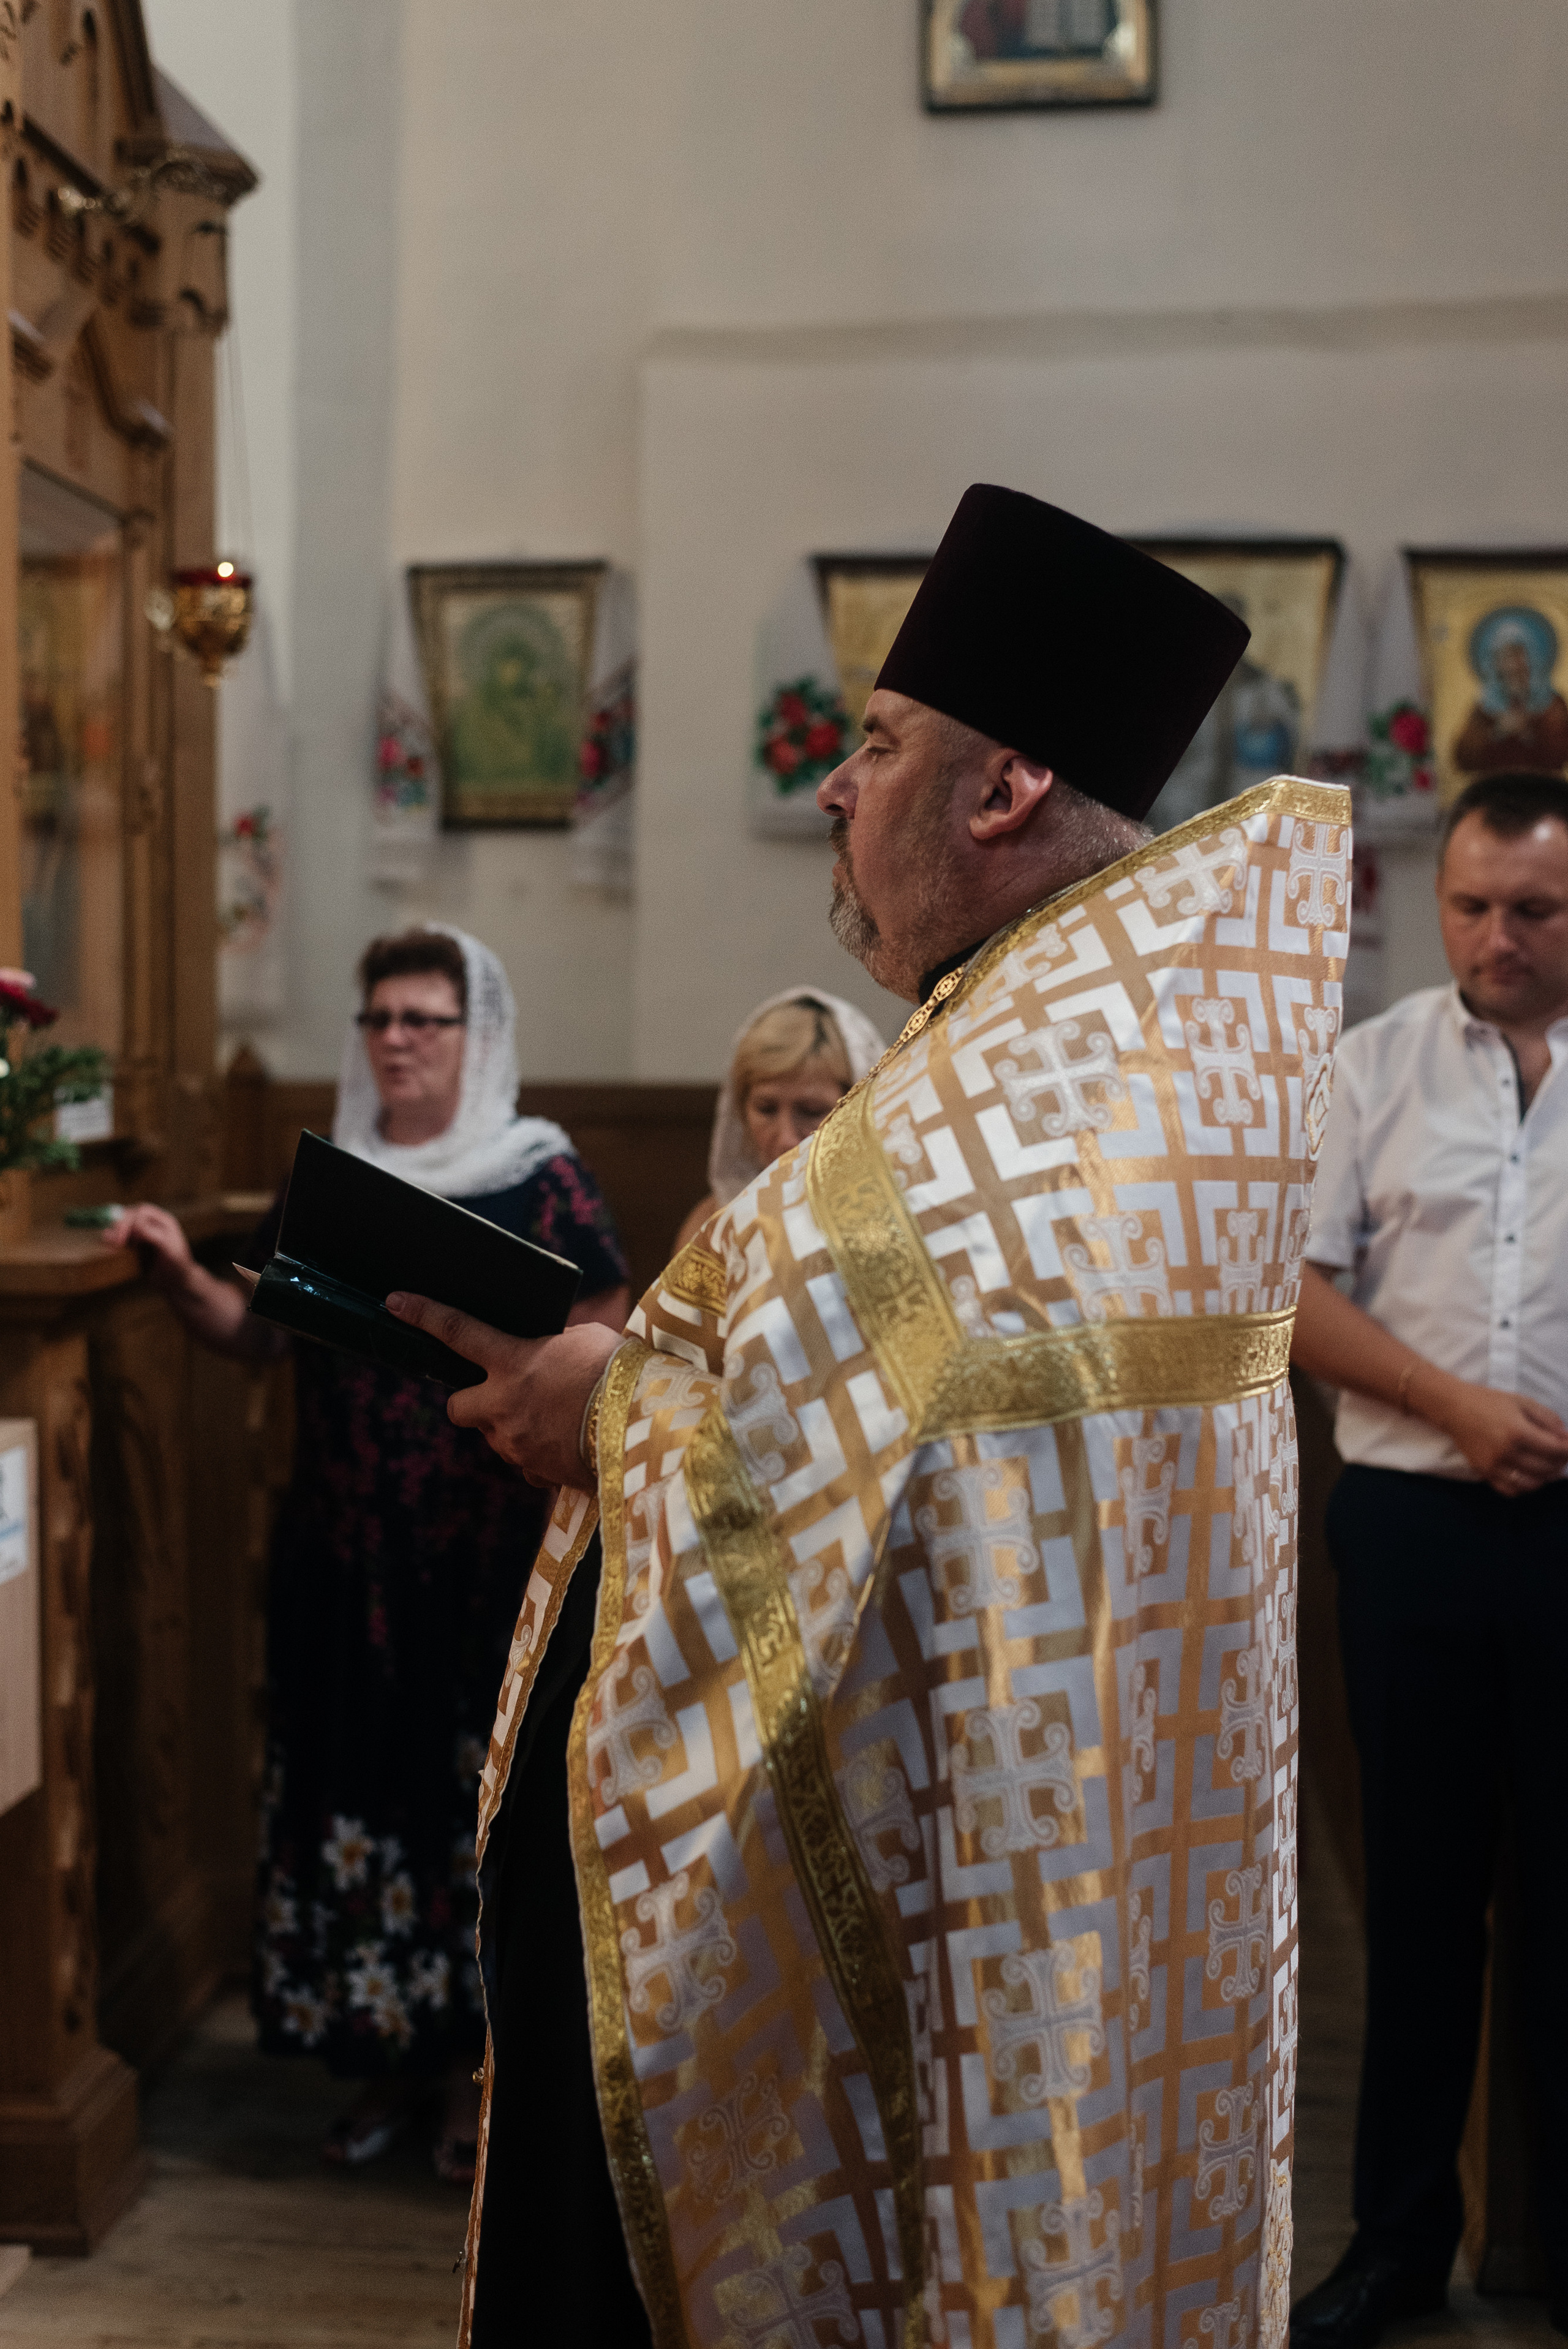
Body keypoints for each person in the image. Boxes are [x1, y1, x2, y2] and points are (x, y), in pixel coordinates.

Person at [390, 486, 1349, 2349]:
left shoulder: (1001, 1115)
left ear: (1000, 793)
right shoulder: (1115, 1052)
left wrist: (612, 1411)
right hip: (1049, 1873)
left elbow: (802, 1441)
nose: (836, 786)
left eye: (878, 746)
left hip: (944, 1906)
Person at [106, 924, 628, 2183]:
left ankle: (471, 2087)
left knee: (468, 1810)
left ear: (473, 1034)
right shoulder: (336, 1179)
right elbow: (269, 1334)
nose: (396, 1040)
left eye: (423, 1020)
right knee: (358, 1799)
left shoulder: (534, 1172)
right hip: (344, 1555)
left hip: (480, 1554)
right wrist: (182, 1282)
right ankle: (384, 2067)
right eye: (379, 1020)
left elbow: (605, 1323)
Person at [1287, 771, 1568, 2349]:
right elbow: (1299, 1290)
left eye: (1530, 908)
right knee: (1415, 1899)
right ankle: (1395, 2238)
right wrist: (1451, 1405)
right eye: (1470, 904)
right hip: (1408, 1525)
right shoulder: (1370, 1065)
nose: (1493, 936)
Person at [672, 987, 886, 1254]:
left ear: (858, 1110)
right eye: (766, 1109)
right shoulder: (710, 1230)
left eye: (811, 1111)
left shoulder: (897, 1219)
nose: (786, 1139)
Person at [1453, 611, 1568, 780]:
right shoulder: (1485, 706)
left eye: (1519, 655)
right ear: (1496, 664)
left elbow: (1560, 755)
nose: (1514, 665)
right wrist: (1499, 731)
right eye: (1505, 657)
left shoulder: (1552, 703)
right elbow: (1464, 759)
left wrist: (1527, 733)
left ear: (1532, 658)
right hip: (1495, 791)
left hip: (1544, 791)